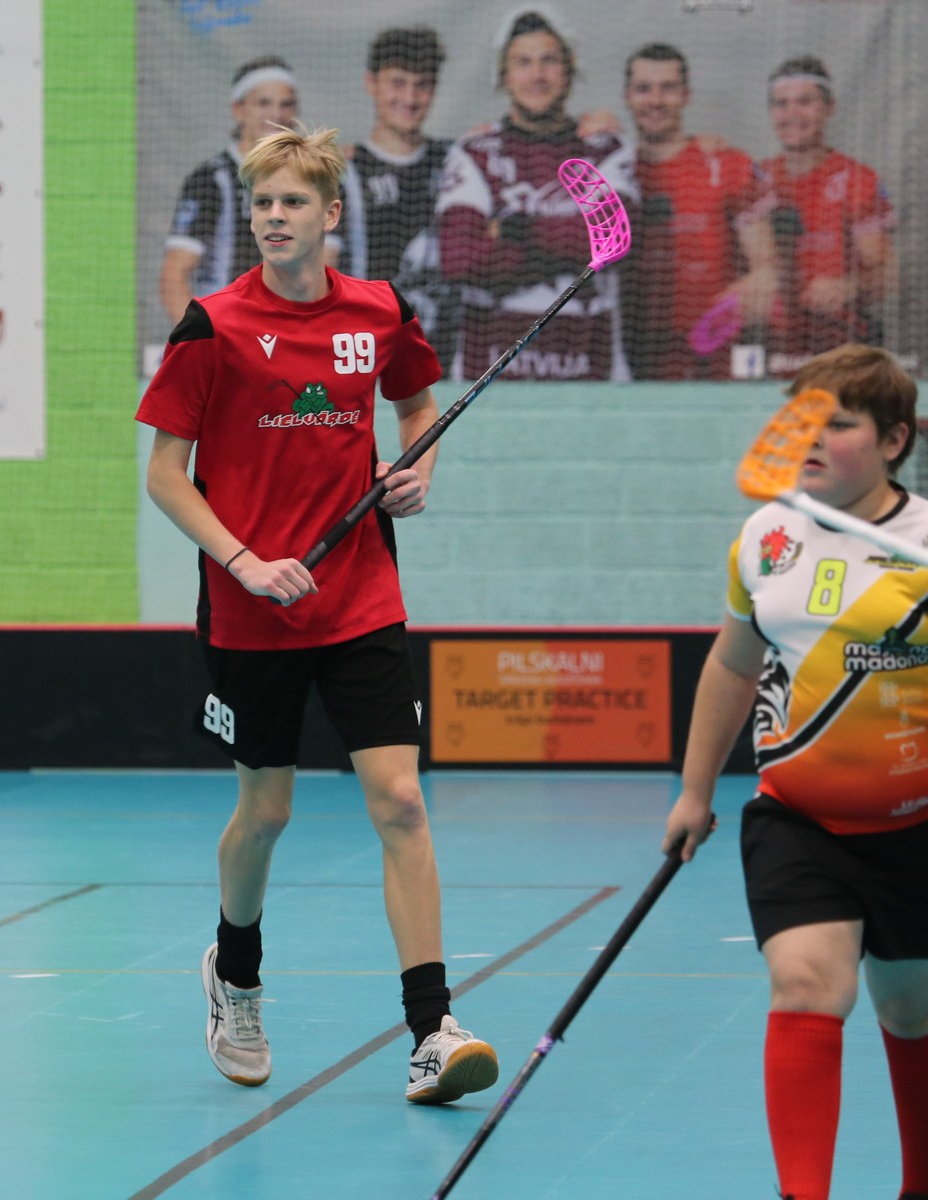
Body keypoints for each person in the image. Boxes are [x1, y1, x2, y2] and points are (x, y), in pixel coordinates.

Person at [136, 123, 499, 1106]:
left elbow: (418, 409)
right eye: (261, 203)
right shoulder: (211, 326)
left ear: (331, 213)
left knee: (402, 801)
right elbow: (165, 475)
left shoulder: (377, 312)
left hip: (361, 595)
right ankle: (236, 974)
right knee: (268, 812)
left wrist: (417, 467)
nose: (274, 217)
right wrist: (244, 562)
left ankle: (433, 1030)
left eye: (292, 201)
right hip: (252, 609)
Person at [661, 344, 928, 1200]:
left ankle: (925, 1190)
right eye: (803, 420)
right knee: (805, 985)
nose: (813, 438)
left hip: (923, 827)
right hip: (796, 820)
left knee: (914, 1012)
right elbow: (731, 666)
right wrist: (693, 790)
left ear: (893, 440)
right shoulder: (765, 536)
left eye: (839, 423)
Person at [436, 7, 636, 382]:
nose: (537, 75)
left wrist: (515, 229)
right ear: (504, 75)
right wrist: (571, 243)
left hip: (590, 372)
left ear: (569, 69)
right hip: (490, 375)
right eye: (523, 62)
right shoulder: (474, 152)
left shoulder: (606, 147)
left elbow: (612, 241)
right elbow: (459, 259)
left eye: (549, 61)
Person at [620, 42, 773, 380]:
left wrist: (749, 293)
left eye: (668, 88)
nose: (656, 101)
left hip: (713, 362)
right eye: (644, 89)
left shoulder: (729, 164)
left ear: (686, 95)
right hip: (630, 361)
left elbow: (767, 268)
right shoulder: (611, 169)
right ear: (627, 97)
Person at [748, 56, 897, 375]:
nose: (792, 115)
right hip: (769, 346)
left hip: (839, 347)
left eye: (805, 102)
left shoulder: (857, 180)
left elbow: (887, 274)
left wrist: (848, 286)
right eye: (781, 104)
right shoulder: (755, 178)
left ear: (830, 108)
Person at [340, 25, 464, 370]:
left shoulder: (458, 160)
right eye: (397, 83)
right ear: (371, 83)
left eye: (422, 85)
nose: (409, 99)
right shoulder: (344, 170)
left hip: (449, 362)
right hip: (371, 361)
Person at [158, 55, 302, 326]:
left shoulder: (310, 179)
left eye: (286, 104)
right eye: (264, 103)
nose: (277, 115)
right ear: (238, 109)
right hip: (232, 338)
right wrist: (206, 341)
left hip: (290, 338)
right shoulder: (212, 180)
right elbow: (173, 278)